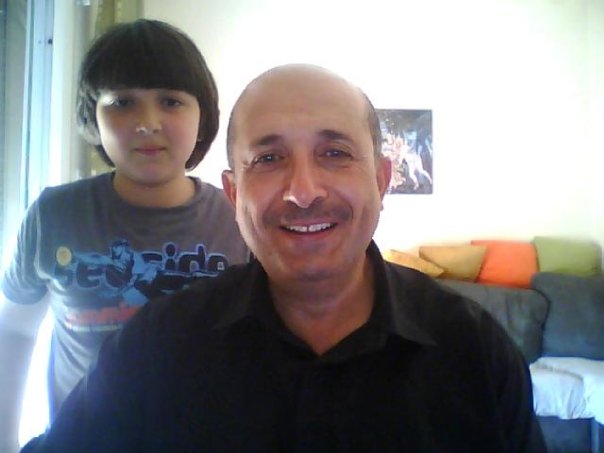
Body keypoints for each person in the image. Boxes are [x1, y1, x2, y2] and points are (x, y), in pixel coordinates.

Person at [22, 64, 546, 452]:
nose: (303, 191)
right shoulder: (154, 348)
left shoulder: (476, 353)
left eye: (335, 153)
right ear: (234, 194)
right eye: (269, 158)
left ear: (381, 180)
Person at [0, 19, 249, 452]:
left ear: (203, 115)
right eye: (122, 102)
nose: (147, 123)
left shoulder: (238, 217)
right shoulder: (53, 215)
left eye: (170, 101)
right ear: (92, 116)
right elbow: (16, 331)